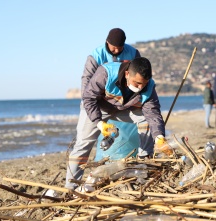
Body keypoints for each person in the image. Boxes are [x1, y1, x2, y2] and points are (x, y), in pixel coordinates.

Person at [66, 57, 168, 191]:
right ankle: (70, 188)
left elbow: (153, 113)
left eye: (143, 83)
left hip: (123, 109)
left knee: (147, 121)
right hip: (97, 108)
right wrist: (99, 123)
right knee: (83, 143)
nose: (140, 87)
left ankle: (143, 166)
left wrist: (159, 136)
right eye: (137, 83)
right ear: (127, 74)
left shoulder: (148, 87)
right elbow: (89, 98)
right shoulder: (106, 73)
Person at [81, 28, 141, 96]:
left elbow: (140, 75)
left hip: (125, 95)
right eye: (114, 48)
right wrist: (84, 99)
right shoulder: (96, 56)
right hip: (102, 94)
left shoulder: (133, 53)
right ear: (107, 42)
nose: (117, 50)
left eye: (120, 47)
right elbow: (87, 78)